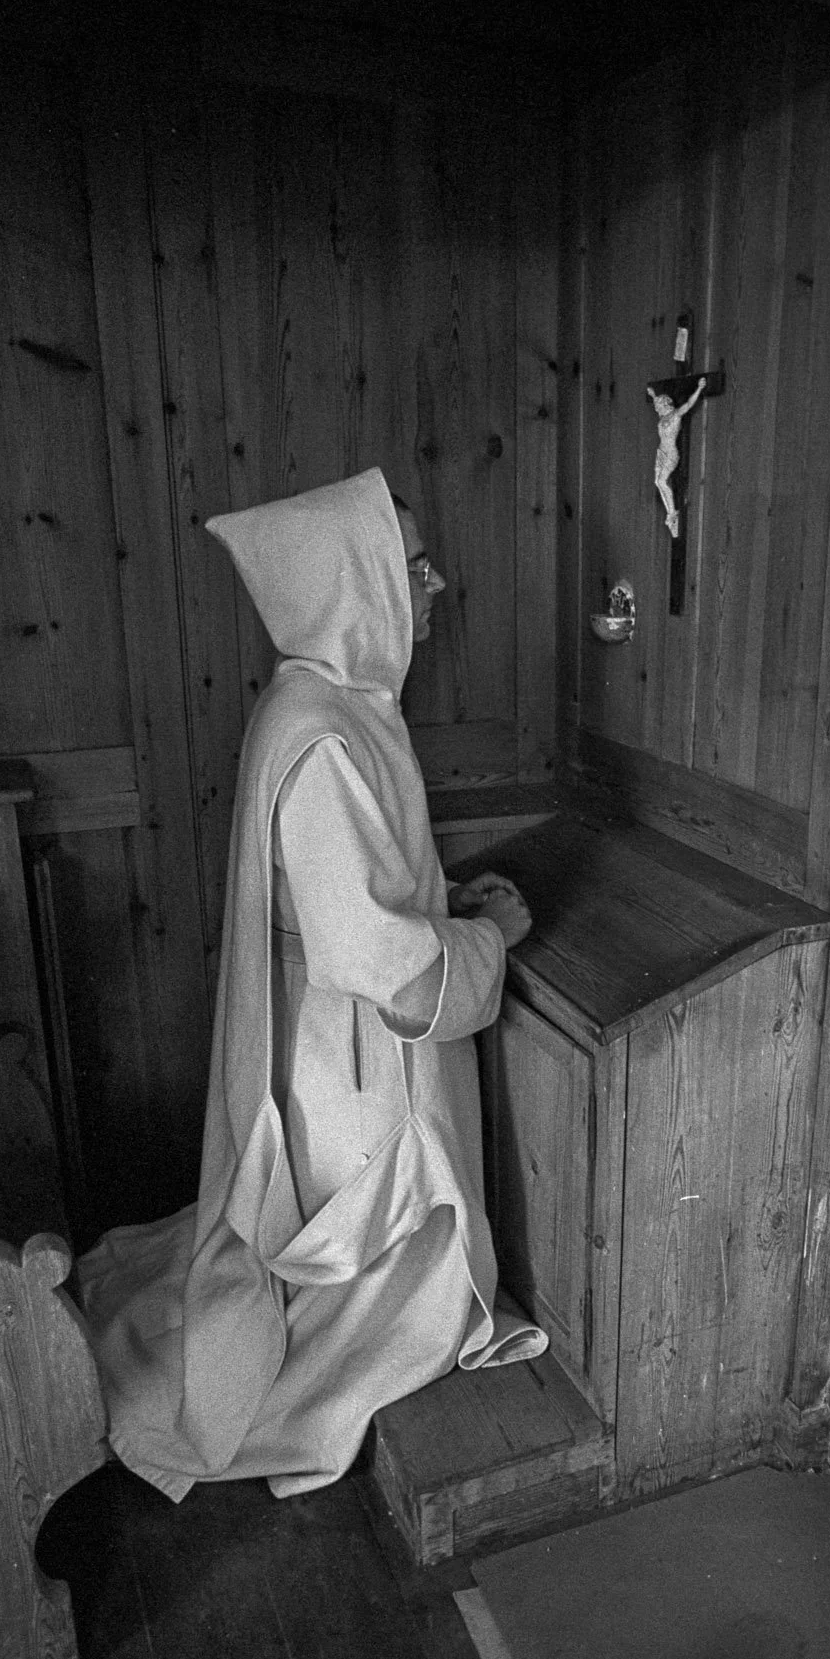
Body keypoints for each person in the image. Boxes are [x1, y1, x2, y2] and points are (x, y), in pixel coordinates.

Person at [78, 468, 546, 1501]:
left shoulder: (325, 699)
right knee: (403, 1301)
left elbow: (353, 888)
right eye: (412, 566)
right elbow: (385, 969)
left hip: (329, 1029)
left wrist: (443, 897)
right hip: (359, 1058)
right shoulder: (324, 730)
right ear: (352, 582)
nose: (435, 583)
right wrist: (490, 938)